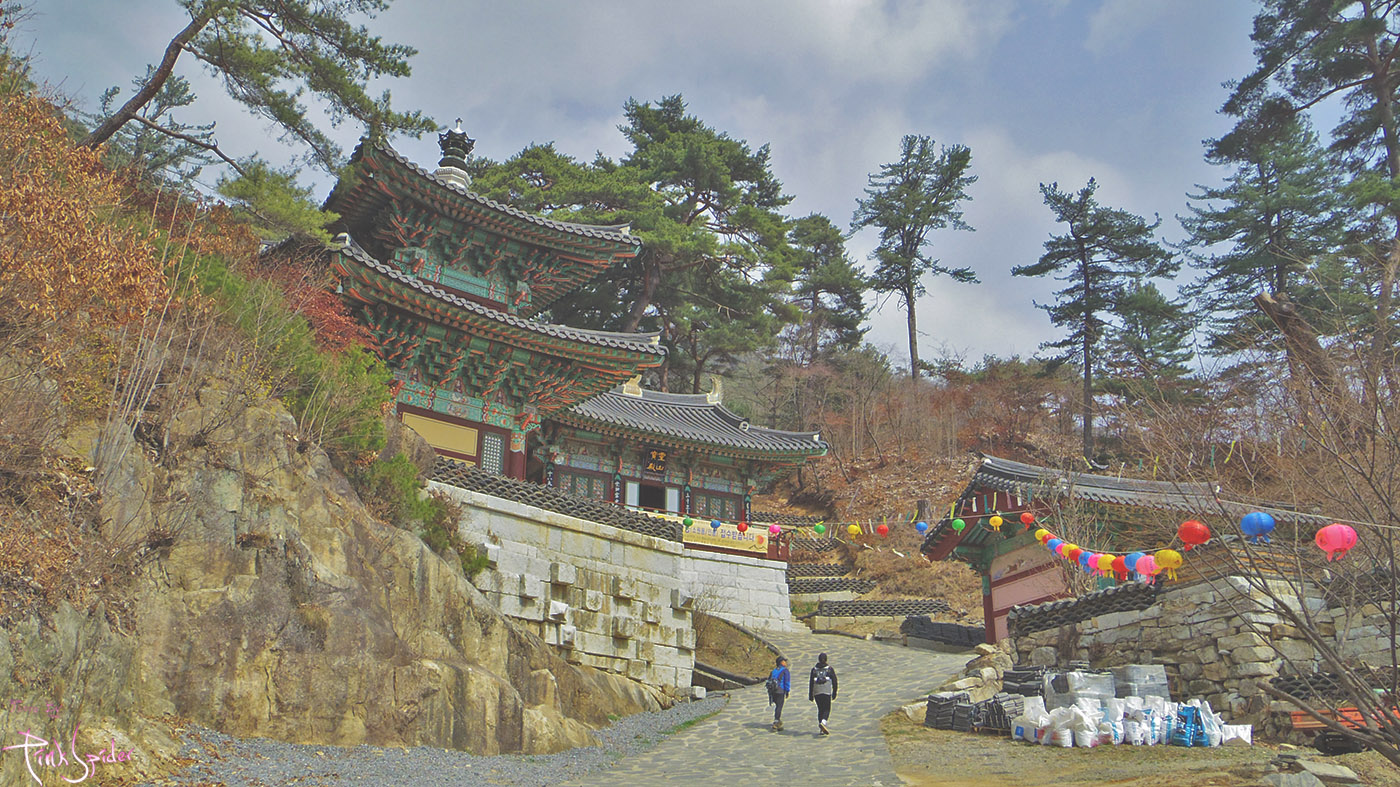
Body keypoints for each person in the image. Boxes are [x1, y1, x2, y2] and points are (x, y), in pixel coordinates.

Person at [808, 652, 837, 735]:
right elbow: (834, 681)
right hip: (826, 691)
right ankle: (823, 722)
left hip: (817, 692)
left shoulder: (814, 670)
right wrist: (834, 692)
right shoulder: (829, 669)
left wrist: (811, 694)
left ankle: (821, 729)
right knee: (827, 709)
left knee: (820, 709)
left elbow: (811, 683)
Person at [767, 656, 791, 730]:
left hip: (773, 691)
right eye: (784, 661)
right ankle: (776, 721)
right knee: (779, 706)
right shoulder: (785, 671)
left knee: (777, 706)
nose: (786, 662)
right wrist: (787, 691)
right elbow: (787, 682)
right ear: (781, 662)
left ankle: (778, 720)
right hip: (780, 691)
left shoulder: (773, 671)